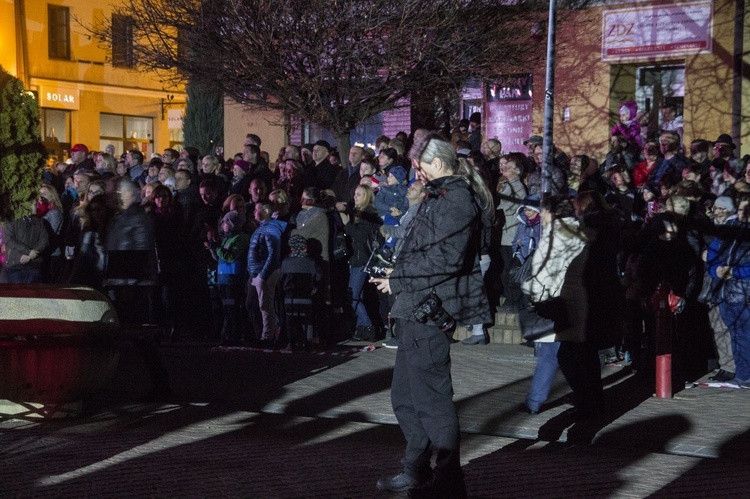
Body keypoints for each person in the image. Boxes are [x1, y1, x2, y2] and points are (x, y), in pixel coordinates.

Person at [371, 134, 490, 497]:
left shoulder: (455, 200)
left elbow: (447, 259)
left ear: (436, 162)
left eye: (418, 164)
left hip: (429, 308)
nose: (415, 171)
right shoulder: (439, 196)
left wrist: (399, 278)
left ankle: (449, 480)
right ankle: (416, 469)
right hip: (414, 308)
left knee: (432, 402)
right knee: (406, 399)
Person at [341, 185, 382, 342]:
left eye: (359, 194)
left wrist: (347, 223)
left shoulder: (368, 213)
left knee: (353, 296)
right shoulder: (358, 212)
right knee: (357, 295)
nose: (355, 197)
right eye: (355, 194)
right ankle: (362, 328)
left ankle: (368, 326)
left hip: (362, 259)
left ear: (367, 197)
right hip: (357, 258)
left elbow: (359, 235)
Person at [207, 210, 250, 346]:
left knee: (233, 309)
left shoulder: (241, 238)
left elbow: (230, 256)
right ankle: (228, 336)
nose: (222, 223)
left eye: (225, 221)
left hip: (233, 278)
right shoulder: (227, 237)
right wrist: (212, 247)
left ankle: (236, 337)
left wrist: (217, 247)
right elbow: (219, 256)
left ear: (232, 224)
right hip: (224, 278)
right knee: (226, 309)